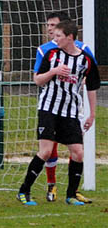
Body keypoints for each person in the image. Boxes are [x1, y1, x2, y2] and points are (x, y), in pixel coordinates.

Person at [17, 20, 100, 206]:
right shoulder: (52, 54)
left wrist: (92, 114)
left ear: (70, 37)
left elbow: (92, 87)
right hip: (49, 108)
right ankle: (24, 191)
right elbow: (38, 80)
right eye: (54, 36)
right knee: (45, 151)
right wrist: (53, 71)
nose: (55, 39)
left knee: (78, 152)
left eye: (58, 36)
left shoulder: (85, 60)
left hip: (70, 111)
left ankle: (71, 195)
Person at [34, 12, 94, 203]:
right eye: (48, 25)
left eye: (53, 25)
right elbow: (37, 77)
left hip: (73, 105)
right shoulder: (44, 50)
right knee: (48, 147)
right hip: (51, 103)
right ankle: (51, 186)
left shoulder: (84, 49)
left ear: (65, 29)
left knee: (76, 148)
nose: (50, 29)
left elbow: (89, 74)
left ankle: (73, 191)